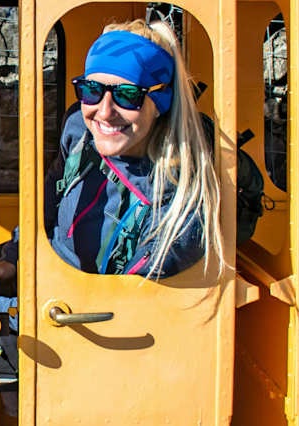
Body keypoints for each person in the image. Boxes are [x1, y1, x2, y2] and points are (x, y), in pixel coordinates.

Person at [45, 19, 222, 278]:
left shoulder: (180, 196)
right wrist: (13, 260)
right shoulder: (78, 131)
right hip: (51, 282)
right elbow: (44, 210)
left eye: (127, 95)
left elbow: (135, 296)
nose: (104, 112)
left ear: (160, 102)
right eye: (91, 90)